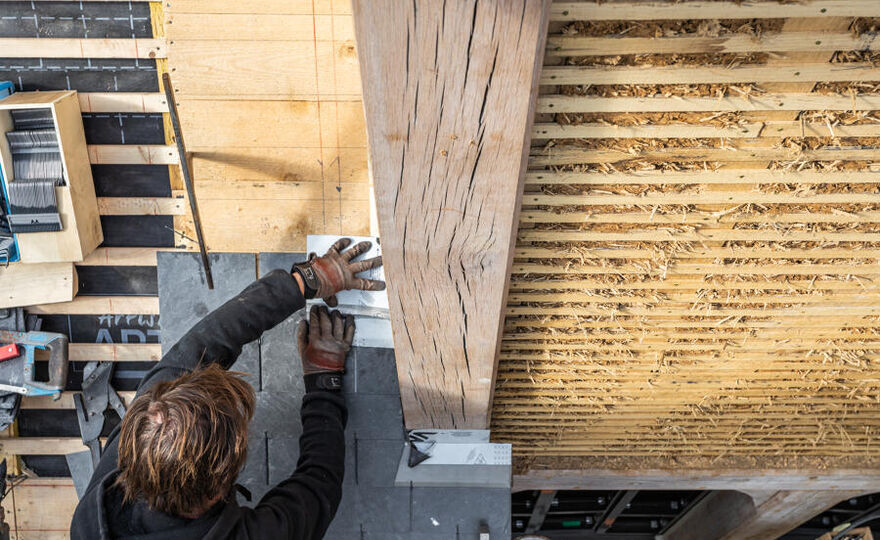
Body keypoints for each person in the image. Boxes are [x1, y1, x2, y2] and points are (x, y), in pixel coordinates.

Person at [70, 238, 384, 540]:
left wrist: (302, 281)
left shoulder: (105, 501)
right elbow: (318, 485)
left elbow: (203, 345)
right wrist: (323, 382)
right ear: (219, 489)